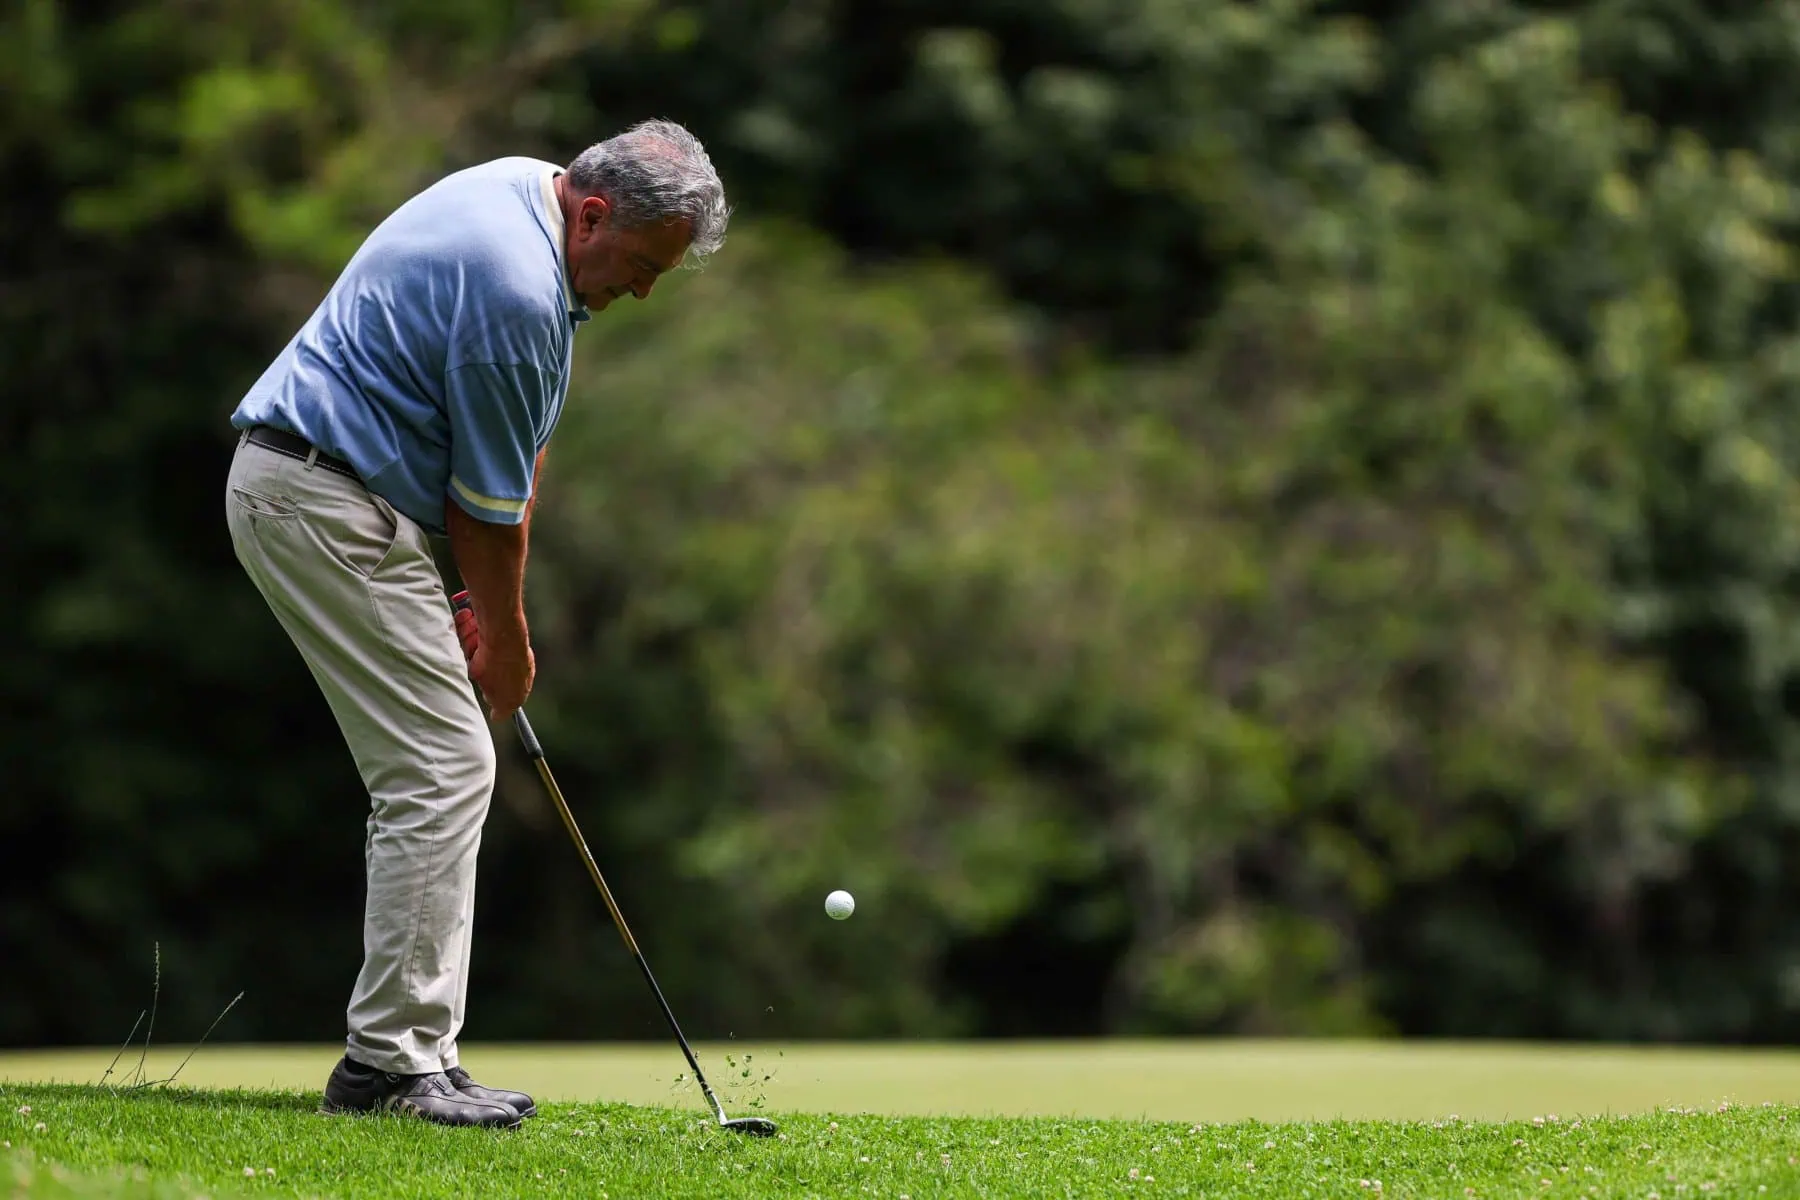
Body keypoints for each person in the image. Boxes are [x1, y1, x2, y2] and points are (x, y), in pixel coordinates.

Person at [223, 120, 729, 1129]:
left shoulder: (521, 194)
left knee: (442, 765)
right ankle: (389, 1069)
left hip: (334, 492)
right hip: (321, 498)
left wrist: (475, 608)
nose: (641, 291)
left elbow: (514, 456)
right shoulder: (515, 284)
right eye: (639, 265)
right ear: (591, 212)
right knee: (444, 766)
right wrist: (507, 644)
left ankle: (423, 1053)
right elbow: (486, 516)